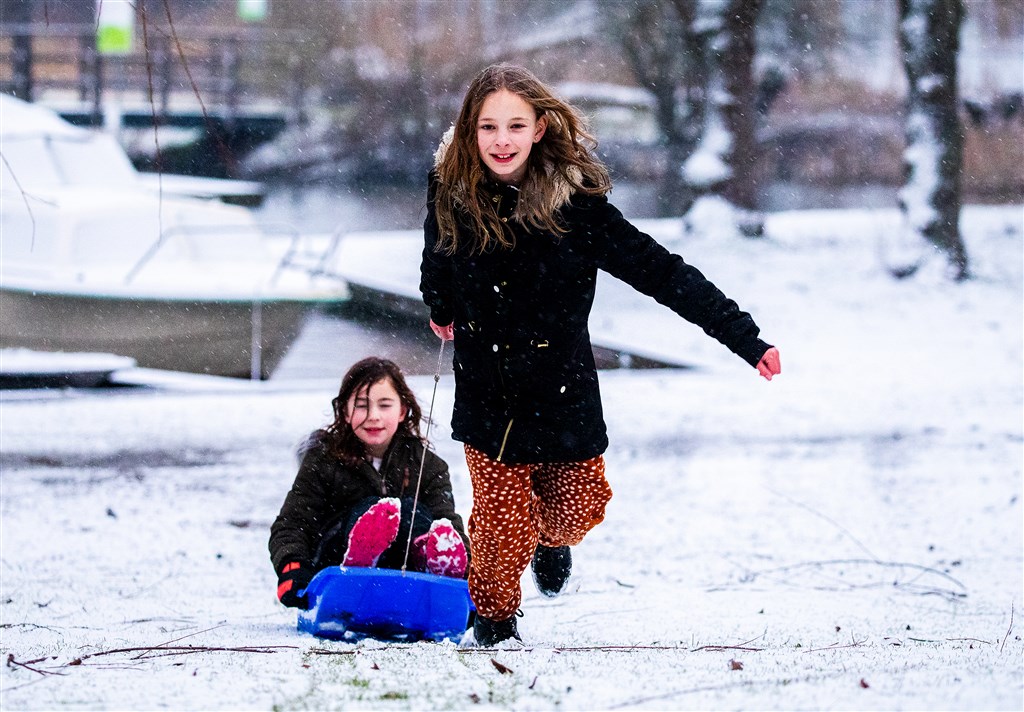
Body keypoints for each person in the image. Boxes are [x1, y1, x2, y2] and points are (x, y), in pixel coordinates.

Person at [419, 64, 782, 647]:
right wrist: (439, 303)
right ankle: (492, 625)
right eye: (488, 127)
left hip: (563, 387)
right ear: (470, 130)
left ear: (540, 128)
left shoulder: (577, 207)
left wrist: (744, 337)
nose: (501, 140)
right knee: (500, 521)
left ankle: (548, 538)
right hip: (488, 387)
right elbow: (437, 251)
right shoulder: (451, 189)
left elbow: (663, 273)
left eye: (515, 125)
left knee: (583, 506)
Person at [269, 357, 470, 610]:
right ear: (344, 411)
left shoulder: (427, 465)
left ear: (402, 410)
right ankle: (360, 559)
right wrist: (293, 567)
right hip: (337, 564)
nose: (373, 416)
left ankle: (429, 560)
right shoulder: (323, 460)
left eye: (384, 405)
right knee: (374, 511)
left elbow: (448, 522)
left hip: (404, 569)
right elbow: (293, 523)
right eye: (361, 406)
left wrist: (468, 579)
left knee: (411, 514)